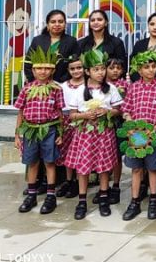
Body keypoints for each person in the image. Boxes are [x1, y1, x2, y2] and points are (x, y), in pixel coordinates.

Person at [65, 50, 124, 220]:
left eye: (102, 69)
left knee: (104, 167)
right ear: (87, 71)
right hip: (85, 133)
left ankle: (104, 198)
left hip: (104, 132)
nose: (101, 73)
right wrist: (85, 115)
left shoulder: (110, 88)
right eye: (96, 69)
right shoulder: (80, 90)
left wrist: (107, 112)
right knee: (83, 168)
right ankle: (82, 201)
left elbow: (118, 109)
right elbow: (72, 115)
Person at [120, 51, 156, 221]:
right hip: (136, 135)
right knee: (136, 168)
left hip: (153, 135)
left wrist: (154, 129)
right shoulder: (133, 88)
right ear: (139, 70)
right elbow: (126, 110)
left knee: (153, 168)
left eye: (153, 66)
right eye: (146, 67)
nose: (151, 70)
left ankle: (153, 200)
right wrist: (131, 127)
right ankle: (134, 202)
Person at [15, 47, 65, 215]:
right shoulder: (27, 89)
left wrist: (60, 133)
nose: (43, 72)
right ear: (33, 71)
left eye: (46, 68)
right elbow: (20, 112)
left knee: (49, 162)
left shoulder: (56, 89)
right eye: (39, 68)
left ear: (52, 70)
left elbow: (60, 112)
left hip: (49, 130)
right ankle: (31, 195)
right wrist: (17, 135)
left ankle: (50, 196)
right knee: (32, 163)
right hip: (30, 130)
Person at [55, 55, 85, 199]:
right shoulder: (63, 86)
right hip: (66, 121)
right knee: (67, 152)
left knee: (79, 152)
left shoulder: (88, 86)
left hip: (82, 121)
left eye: (79, 68)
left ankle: (78, 182)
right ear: (68, 70)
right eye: (73, 69)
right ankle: (68, 181)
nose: (76, 71)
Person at [24, 9, 79, 83]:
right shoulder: (37, 40)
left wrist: (61, 82)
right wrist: (36, 81)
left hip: (62, 84)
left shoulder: (71, 41)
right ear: (47, 25)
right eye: (53, 22)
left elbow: (74, 64)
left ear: (65, 24)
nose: (57, 24)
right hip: (38, 84)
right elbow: (28, 63)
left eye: (60, 22)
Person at [105, 57, 128, 205]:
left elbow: (125, 105)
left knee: (117, 155)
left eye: (118, 68)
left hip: (119, 123)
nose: (115, 71)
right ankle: (104, 187)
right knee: (104, 153)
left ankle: (116, 185)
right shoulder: (101, 84)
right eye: (112, 68)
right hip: (103, 123)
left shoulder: (124, 85)